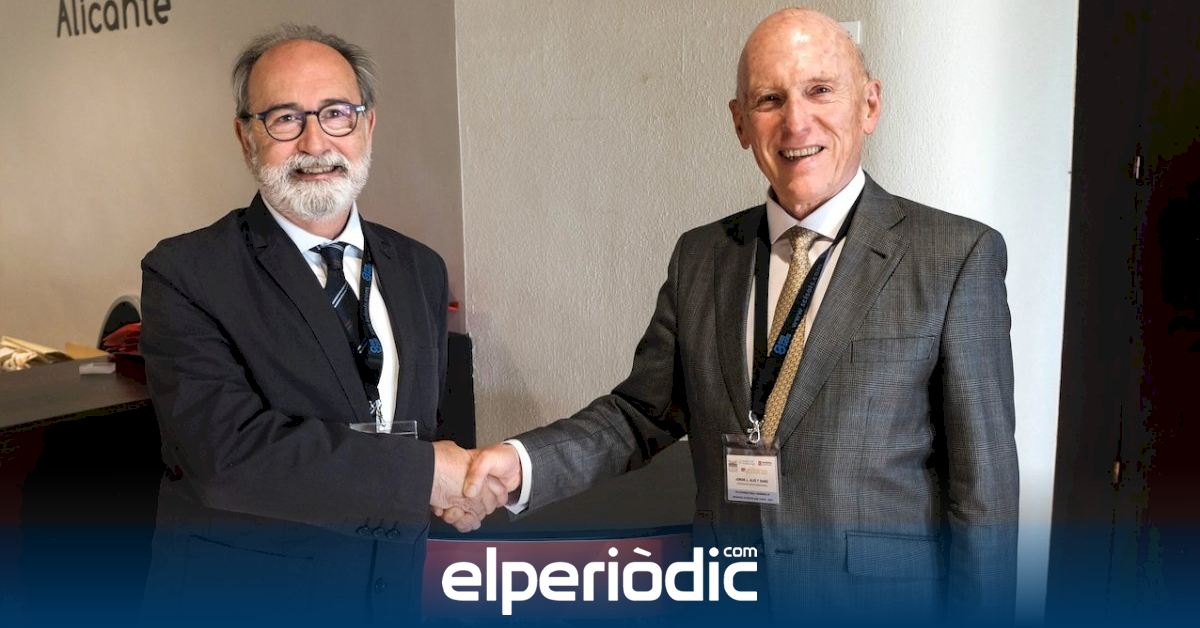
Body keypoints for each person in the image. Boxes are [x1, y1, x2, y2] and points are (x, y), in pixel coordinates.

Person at [454, 7, 1019, 622]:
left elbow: (983, 490)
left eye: (820, 90)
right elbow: (638, 416)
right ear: (740, 123)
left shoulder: (955, 256)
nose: (796, 121)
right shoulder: (701, 257)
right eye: (769, 99)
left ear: (870, 105)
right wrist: (519, 463)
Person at [139, 25, 504, 622]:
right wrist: (426, 476)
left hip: (391, 594)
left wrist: (451, 491)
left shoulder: (420, 268)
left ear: (367, 126)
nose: (315, 142)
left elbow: (421, 428)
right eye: (285, 118)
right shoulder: (186, 272)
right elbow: (225, 457)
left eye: (336, 113)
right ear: (246, 136)